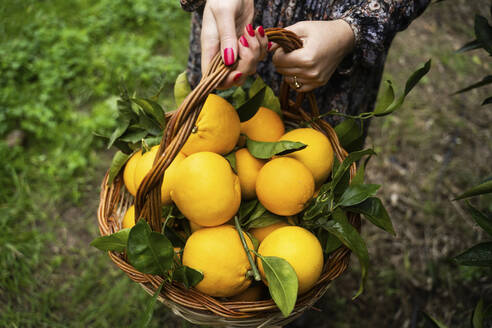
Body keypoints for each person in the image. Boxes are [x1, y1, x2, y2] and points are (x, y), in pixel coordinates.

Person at [179, 0, 430, 129]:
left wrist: (351, 31)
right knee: (205, 133)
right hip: (232, 19)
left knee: (314, 188)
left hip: (334, 53)